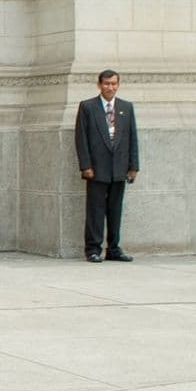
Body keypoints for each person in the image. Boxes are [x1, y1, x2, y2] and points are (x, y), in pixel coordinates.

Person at [75, 69, 139, 263]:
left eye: (113, 84)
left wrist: (133, 166)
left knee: (115, 210)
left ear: (118, 85)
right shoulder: (87, 107)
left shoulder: (126, 108)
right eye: (106, 83)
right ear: (99, 85)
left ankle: (113, 248)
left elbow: (132, 138)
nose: (110, 87)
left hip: (118, 168)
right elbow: (81, 138)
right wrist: (85, 165)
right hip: (96, 168)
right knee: (95, 210)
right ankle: (93, 249)